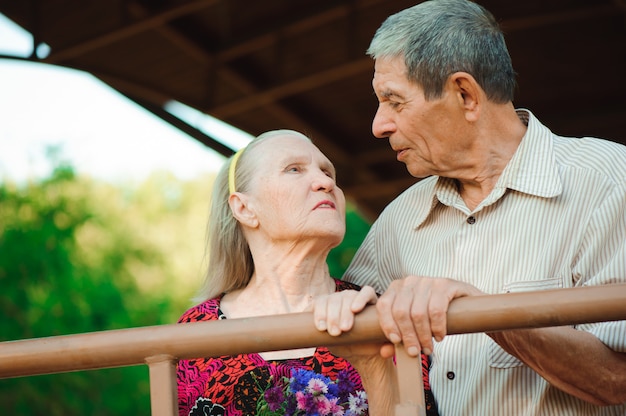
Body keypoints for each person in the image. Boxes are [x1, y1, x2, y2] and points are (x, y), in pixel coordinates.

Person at [313, 0, 626, 415]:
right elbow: (348, 366)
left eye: (395, 101)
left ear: (465, 94)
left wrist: (482, 312)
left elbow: (617, 377)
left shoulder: (606, 180)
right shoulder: (399, 218)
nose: (378, 125)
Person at [176, 130, 438, 416]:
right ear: (244, 207)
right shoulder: (196, 332)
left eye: (328, 172)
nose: (326, 182)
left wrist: (373, 363)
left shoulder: (381, 312)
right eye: (294, 169)